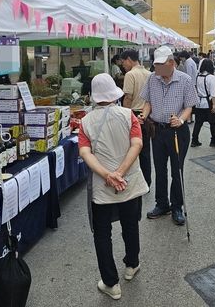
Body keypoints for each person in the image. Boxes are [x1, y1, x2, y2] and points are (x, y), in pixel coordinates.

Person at [78, 73, 148, 301]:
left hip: (103, 187)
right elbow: (137, 144)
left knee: (102, 234)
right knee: (130, 224)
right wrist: (120, 173)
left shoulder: (86, 122)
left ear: (94, 97)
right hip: (129, 183)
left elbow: (85, 152)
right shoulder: (129, 115)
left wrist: (108, 175)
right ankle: (132, 265)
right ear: (114, 93)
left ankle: (111, 283)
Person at [139, 46, 199, 225]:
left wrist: (180, 120)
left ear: (171, 63)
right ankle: (162, 204)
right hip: (157, 130)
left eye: (160, 65)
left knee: (176, 170)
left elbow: (189, 106)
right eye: (155, 65)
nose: (157, 69)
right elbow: (148, 102)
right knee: (160, 169)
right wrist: (144, 114)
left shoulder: (185, 80)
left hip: (177, 132)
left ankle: (177, 206)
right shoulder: (152, 78)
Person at [120, 49, 152, 186]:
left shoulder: (130, 74)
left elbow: (128, 97)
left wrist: (125, 116)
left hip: (133, 114)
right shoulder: (149, 74)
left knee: (131, 150)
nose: (123, 65)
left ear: (128, 59)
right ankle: (147, 181)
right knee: (145, 151)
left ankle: (134, 182)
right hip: (147, 115)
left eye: (123, 62)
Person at [191, 59, 215, 148]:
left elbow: (199, 88)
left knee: (198, 122)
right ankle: (214, 140)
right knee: (213, 122)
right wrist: (214, 105)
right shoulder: (211, 77)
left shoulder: (198, 76)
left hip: (199, 103)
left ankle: (194, 140)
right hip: (208, 103)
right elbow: (213, 94)